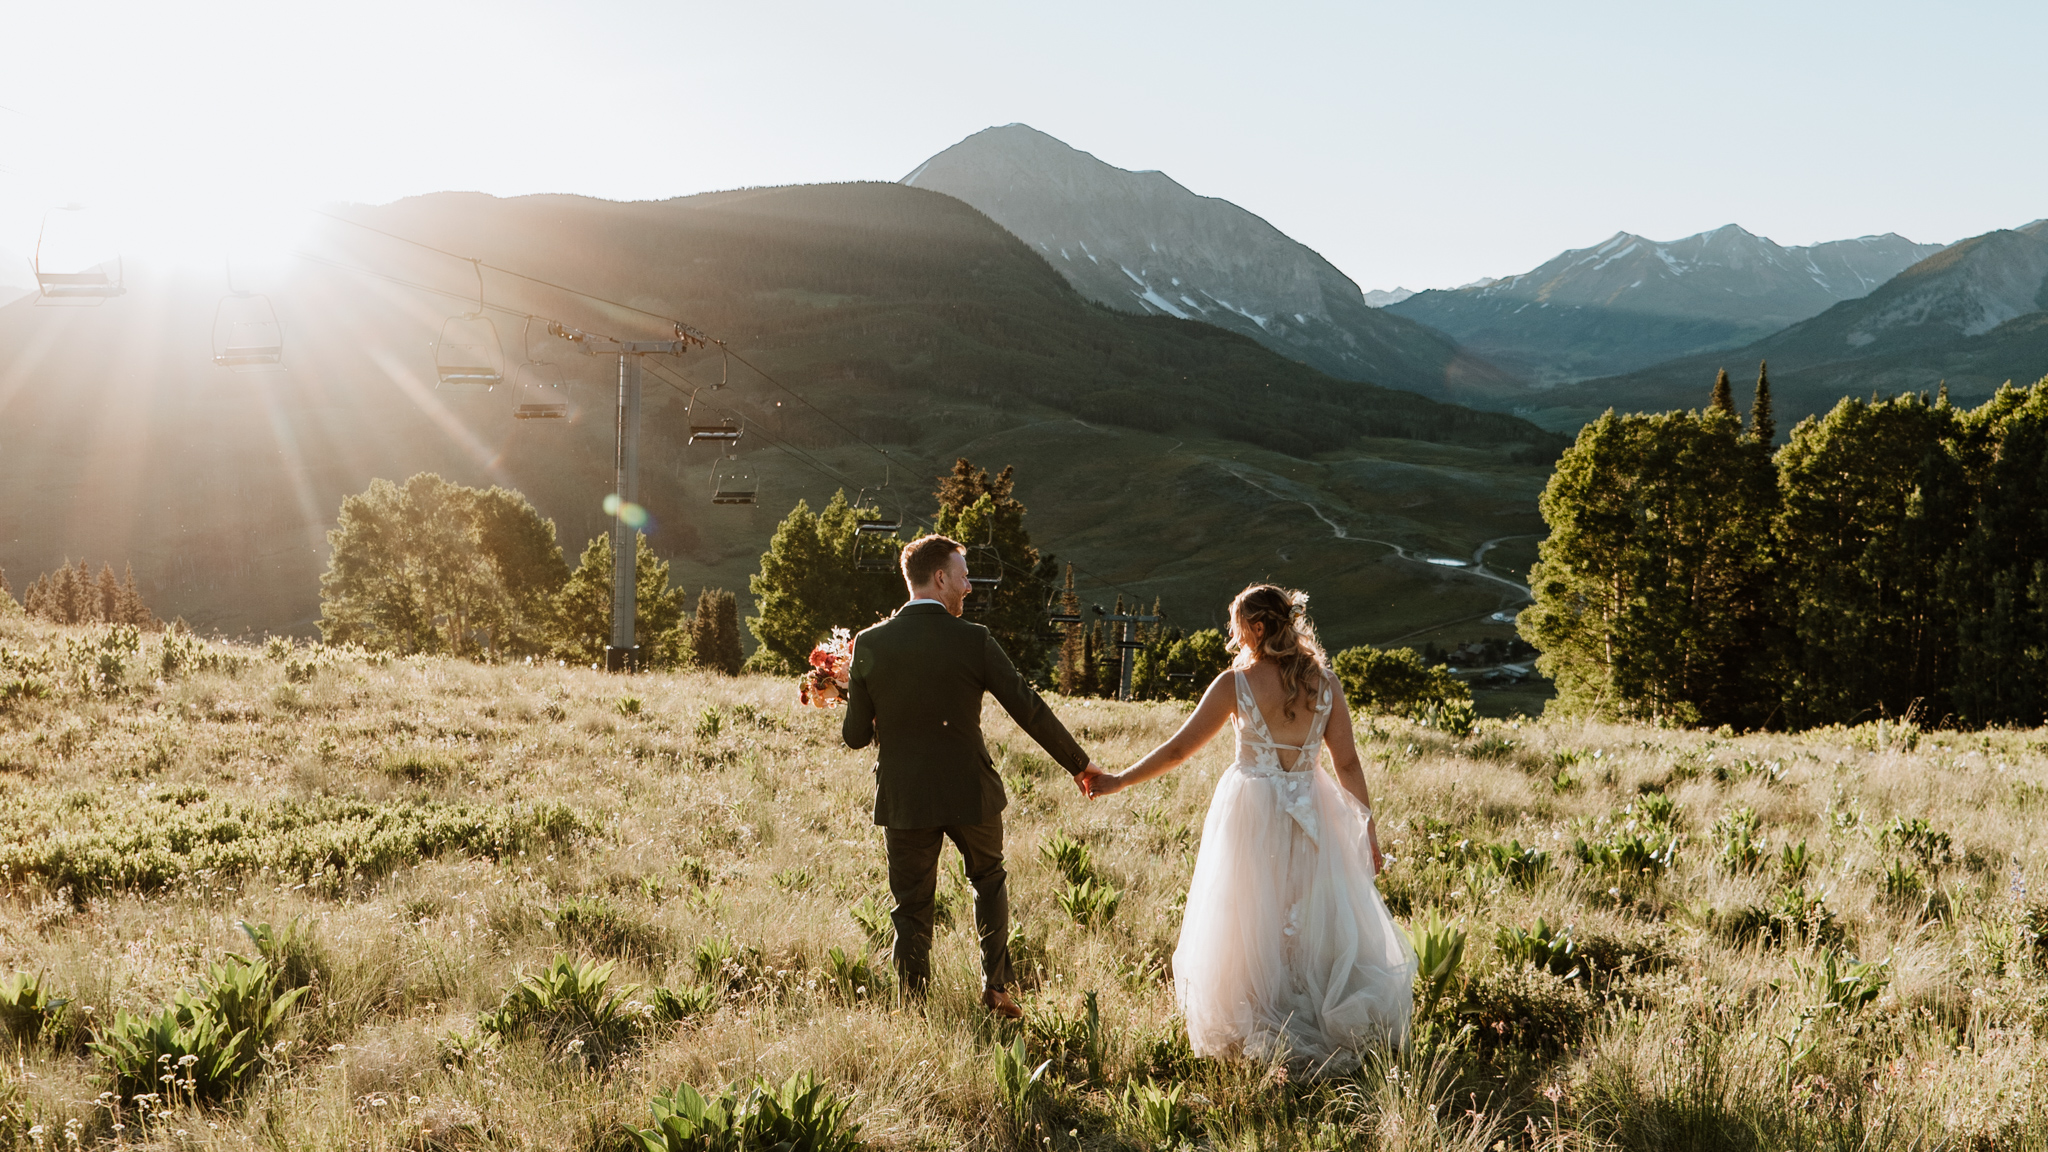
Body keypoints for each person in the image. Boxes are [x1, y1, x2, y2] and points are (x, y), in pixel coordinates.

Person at [1089, 583, 1415, 1074]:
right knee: (1306, 914)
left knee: (1250, 913)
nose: (1233, 634)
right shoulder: (1324, 684)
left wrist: (1117, 781)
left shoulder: (1234, 684)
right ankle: (1309, 1008)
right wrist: (1365, 835)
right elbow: (1346, 763)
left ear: (1258, 628)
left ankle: (1264, 1016)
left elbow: (1179, 750)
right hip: (1313, 808)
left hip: (1251, 811)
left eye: (1237, 624)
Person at [839, 534, 1110, 1019]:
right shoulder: (974, 640)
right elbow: (1028, 707)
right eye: (963, 576)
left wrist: (864, 699)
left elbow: (856, 736)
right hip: (971, 791)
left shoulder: (870, 644)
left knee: (910, 907)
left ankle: (914, 1006)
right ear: (940, 577)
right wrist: (1079, 763)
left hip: (905, 798)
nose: (969, 587)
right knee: (988, 881)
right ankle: (996, 988)